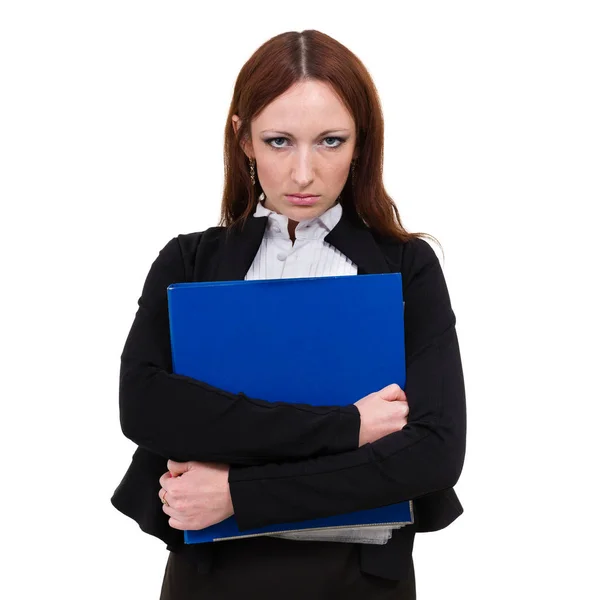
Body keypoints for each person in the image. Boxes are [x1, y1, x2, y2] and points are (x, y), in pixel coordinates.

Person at [111, 29, 467, 600]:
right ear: (243, 138)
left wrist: (239, 493)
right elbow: (147, 410)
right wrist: (347, 427)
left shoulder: (408, 267)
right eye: (279, 141)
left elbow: (432, 454)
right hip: (215, 577)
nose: (304, 173)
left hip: (360, 580)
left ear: (361, 143)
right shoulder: (189, 260)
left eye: (330, 141)